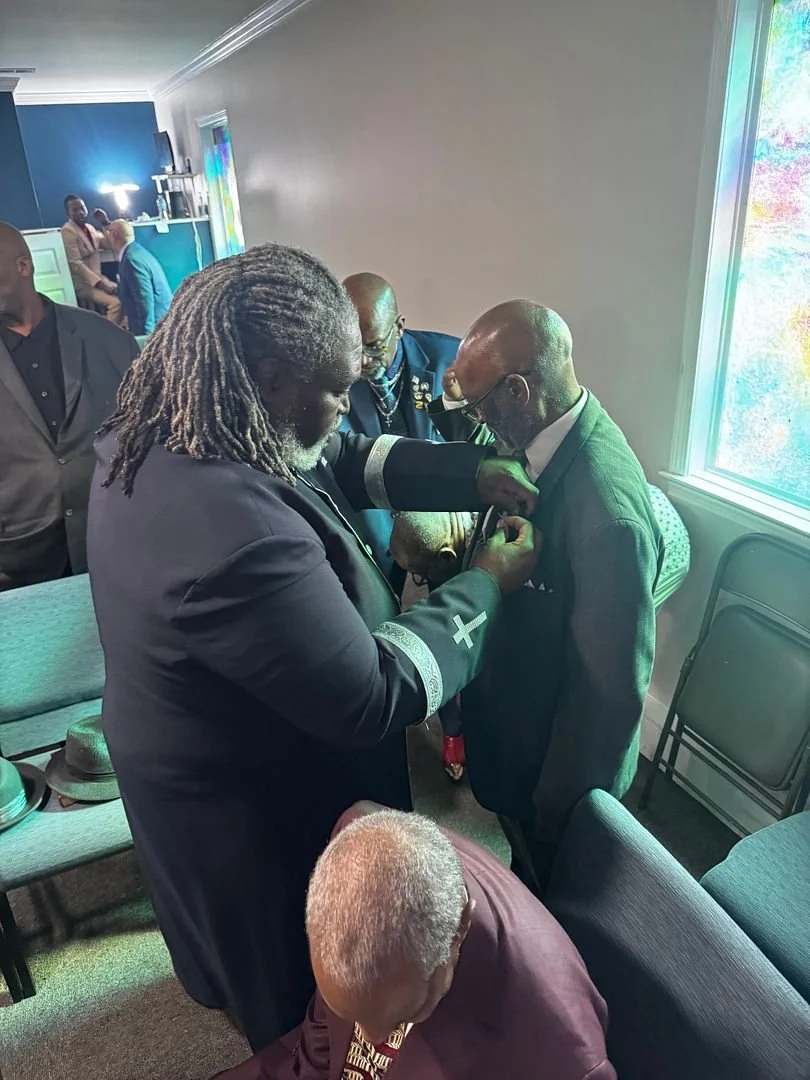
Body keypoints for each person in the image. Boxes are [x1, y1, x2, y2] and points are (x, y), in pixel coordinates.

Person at [86, 243, 540, 1052]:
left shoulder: (186, 420)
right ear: (268, 378)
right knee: (297, 1004)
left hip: (197, 759)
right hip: (252, 817)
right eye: (337, 389)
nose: (348, 404)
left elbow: (339, 458)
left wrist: (469, 475)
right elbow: (369, 694)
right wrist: (486, 589)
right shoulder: (230, 531)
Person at [432, 300, 663, 894]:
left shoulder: (607, 515)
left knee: (552, 899)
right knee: (523, 877)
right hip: (516, 731)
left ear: (518, 391)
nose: (477, 421)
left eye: (481, 404)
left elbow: (608, 696)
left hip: (551, 778)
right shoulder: (542, 438)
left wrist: (560, 815)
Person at [214, 805, 616, 1080]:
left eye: (404, 1014)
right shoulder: (363, 835)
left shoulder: (563, 1054)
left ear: (460, 928)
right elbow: (322, 1033)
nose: (369, 1038)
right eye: (353, 1014)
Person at [342, 272, 466, 777]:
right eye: (354, 348)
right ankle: (384, 697)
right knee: (368, 588)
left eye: (373, 347)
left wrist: (456, 408)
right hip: (371, 504)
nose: (363, 363)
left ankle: (454, 725)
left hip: (438, 503)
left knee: (451, 605)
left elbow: (473, 444)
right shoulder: (337, 367)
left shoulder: (445, 360)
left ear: (400, 327)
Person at [0, 222, 138, 590]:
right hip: (18, 564)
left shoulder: (109, 341)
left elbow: (148, 437)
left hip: (117, 546)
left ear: (23, 266)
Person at [60, 196, 123, 324]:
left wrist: (105, 223)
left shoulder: (90, 228)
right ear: (68, 213)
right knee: (116, 303)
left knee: (125, 293)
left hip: (97, 279)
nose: (80, 212)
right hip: (81, 284)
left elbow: (109, 243)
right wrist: (100, 283)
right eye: (75, 209)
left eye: (82, 208)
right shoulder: (67, 232)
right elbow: (75, 263)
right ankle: (105, 338)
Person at [108, 219, 173, 336]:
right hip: (160, 320)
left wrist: (146, 338)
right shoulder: (137, 251)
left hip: (156, 324)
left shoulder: (131, 260)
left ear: (115, 235)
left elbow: (144, 300)